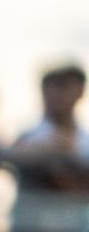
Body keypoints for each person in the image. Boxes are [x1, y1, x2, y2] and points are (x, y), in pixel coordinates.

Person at [11, 64, 89, 192]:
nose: (55, 94)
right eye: (50, 87)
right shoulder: (28, 137)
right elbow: (11, 156)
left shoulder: (85, 141)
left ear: (80, 92)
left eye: (63, 86)